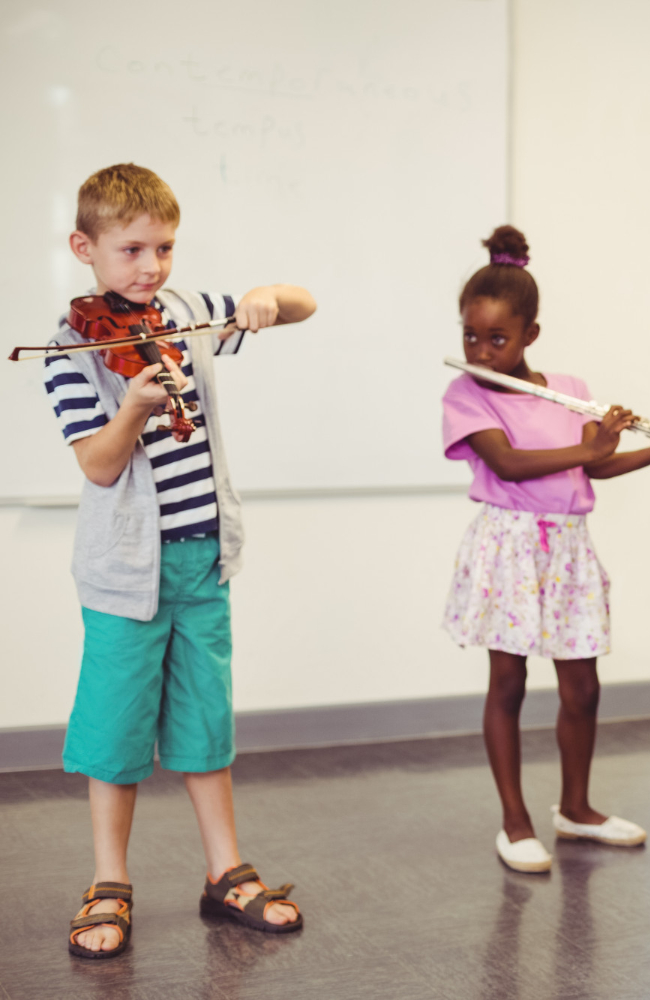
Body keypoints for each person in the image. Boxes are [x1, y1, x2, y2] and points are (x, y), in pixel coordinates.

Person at [45, 164, 318, 959]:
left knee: (206, 719)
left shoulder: (187, 313)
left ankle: (225, 870)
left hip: (203, 560)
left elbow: (302, 303)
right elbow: (99, 466)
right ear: (85, 248)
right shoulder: (71, 348)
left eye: (163, 248)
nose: (151, 267)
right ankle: (109, 880)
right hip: (124, 571)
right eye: (131, 250)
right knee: (117, 730)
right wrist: (133, 406)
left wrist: (268, 298)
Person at [441, 225, 650, 873]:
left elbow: (594, 467)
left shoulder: (566, 386)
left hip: (567, 548)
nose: (481, 350)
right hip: (508, 545)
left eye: (497, 338)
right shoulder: (465, 394)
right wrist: (588, 447)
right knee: (508, 682)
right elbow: (508, 464)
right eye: (471, 336)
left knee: (583, 688)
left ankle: (576, 809)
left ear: (530, 334)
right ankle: (514, 821)